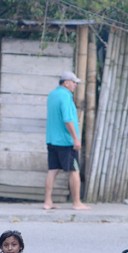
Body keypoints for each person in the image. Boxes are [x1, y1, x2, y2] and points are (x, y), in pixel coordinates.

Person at [44, 70, 90, 211]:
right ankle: (76, 203)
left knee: (52, 170)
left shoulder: (52, 95)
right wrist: (76, 138)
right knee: (74, 170)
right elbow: (67, 120)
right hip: (65, 142)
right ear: (66, 83)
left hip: (52, 140)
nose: (76, 85)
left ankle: (47, 202)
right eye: (74, 82)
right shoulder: (66, 97)